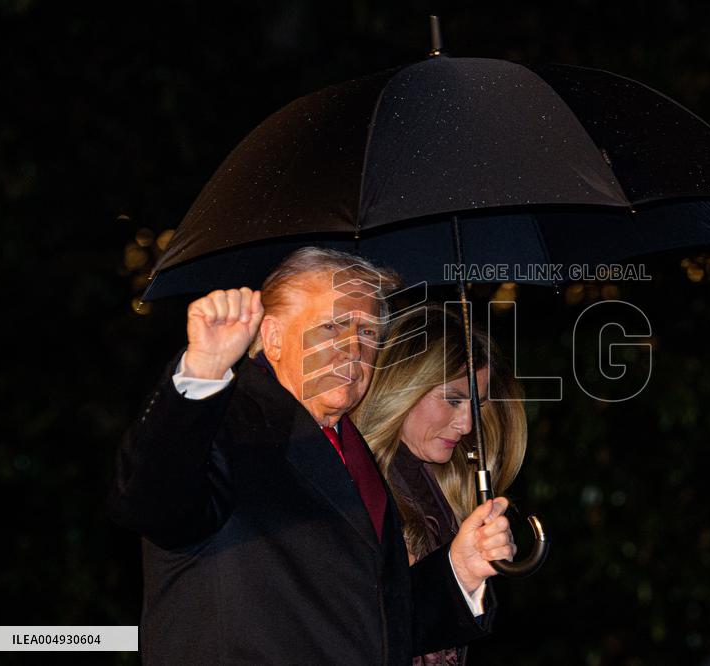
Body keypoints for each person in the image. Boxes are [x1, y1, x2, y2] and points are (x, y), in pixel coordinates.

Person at [109, 248, 516, 665]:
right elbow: (151, 501)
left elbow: (373, 627)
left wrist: (459, 572)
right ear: (273, 338)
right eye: (332, 327)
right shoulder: (224, 420)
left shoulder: (355, 450)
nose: (353, 349)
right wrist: (202, 370)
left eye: (368, 333)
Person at [353, 304, 527, 665]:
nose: (466, 425)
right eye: (452, 400)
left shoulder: (435, 487)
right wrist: (458, 571)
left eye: (476, 406)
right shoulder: (355, 484)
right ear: (403, 386)